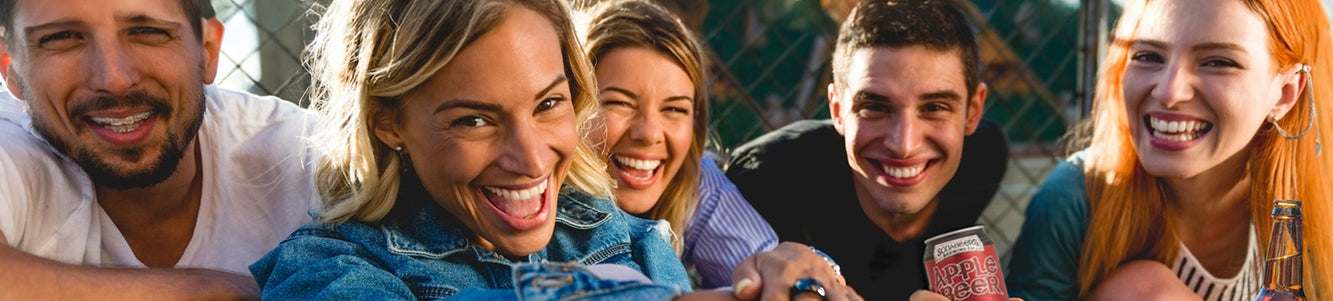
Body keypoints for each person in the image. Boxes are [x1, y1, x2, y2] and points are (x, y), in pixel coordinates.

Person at [251, 0, 856, 300]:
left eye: (548, 105)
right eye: (475, 120)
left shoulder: (623, 237)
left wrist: (787, 279)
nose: (533, 159)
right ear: (388, 122)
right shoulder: (327, 269)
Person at [1006, 0, 1333, 300]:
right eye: (1148, 56)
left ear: (1285, 93)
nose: (1169, 92)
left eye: (1218, 62)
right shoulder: (1076, 199)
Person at [0, 0, 317, 299]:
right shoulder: (10, 143)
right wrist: (213, 291)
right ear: (11, 69)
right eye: (62, 38)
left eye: (147, 32)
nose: (114, 80)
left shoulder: (309, 155)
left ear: (208, 51)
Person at [725, 0, 1010, 299]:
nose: (903, 145)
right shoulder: (767, 180)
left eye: (934, 107)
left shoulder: (983, 160)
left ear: (972, 112)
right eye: (875, 107)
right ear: (837, 110)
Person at [580, 0, 779, 290]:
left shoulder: (695, 182)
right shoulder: (535, 190)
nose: (649, 134)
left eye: (674, 109)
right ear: (572, 104)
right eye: (620, 103)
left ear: (695, 122)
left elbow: (767, 272)